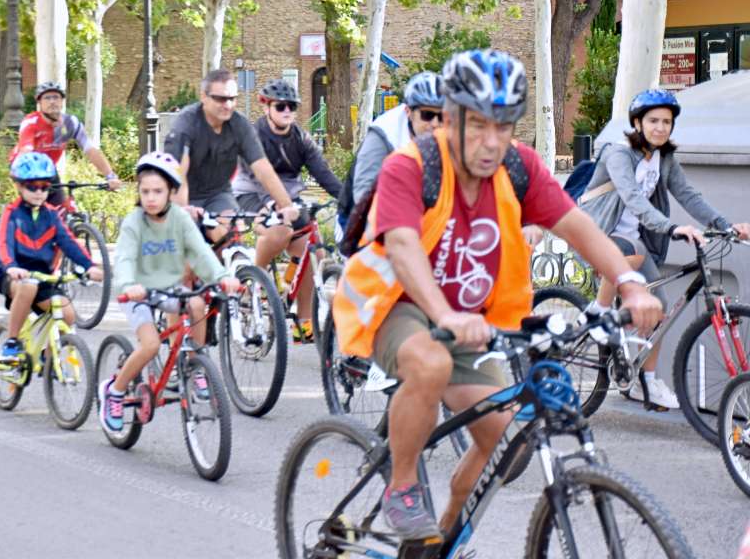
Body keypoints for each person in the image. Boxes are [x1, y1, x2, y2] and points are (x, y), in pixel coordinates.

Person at [332, 49, 663, 542]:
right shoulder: (411, 166)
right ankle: (402, 488)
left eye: (504, 127)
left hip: (470, 317)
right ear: (449, 118)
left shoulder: (518, 166)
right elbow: (401, 244)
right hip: (394, 304)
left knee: (503, 437)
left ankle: (444, 537)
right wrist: (442, 313)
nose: (492, 142)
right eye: (478, 125)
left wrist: (631, 282)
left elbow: (575, 227)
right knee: (430, 364)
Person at [579, 87, 750, 409]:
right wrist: (671, 227)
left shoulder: (664, 158)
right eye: (653, 121)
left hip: (636, 240)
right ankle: (598, 313)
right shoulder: (618, 153)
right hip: (599, 231)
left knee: (656, 307)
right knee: (633, 252)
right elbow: (632, 198)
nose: (660, 128)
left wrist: (726, 226)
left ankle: (648, 382)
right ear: (637, 123)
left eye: (666, 122)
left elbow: (688, 196)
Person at [99, 151, 240, 434]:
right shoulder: (134, 222)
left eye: (158, 191)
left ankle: (195, 364)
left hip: (169, 285)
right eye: (145, 191)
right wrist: (129, 286)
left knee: (198, 304)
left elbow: (201, 254)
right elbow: (124, 259)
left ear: (171, 192)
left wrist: (223, 278)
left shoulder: (180, 220)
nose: (151, 197)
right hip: (137, 291)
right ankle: (114, 391)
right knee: (150, 345)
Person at [231, 78, 342, 343]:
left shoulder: (301, 138)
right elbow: (254, 173)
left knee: (310, 249)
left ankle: (304, 322)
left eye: (292, 106)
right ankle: (255, 282)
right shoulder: (254, 136)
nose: (287, 111)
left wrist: (350, 198)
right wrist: (273, 205)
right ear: (266, 107)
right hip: (252, 194)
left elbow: (323, 173)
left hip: (289, 200)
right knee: (280, 233)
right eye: (281, 106)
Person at [164, 68, 299, 244]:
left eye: (232, 99)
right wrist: (183, 208)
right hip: (184, 196)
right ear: (203, 97)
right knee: (190, 254)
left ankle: (235, 267)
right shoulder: (187, 124)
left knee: (232, 236)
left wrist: (286, 205)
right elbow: (178, 173)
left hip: (218, 195)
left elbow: (262, 168)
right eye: (220, 99)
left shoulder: (239, 124)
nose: (227, 105)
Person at [0, 151, 102, 364]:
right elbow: (4, 243)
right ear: (20, 186)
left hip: (43, 275)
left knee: (67, 314)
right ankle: (11, 343)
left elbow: (68, 242)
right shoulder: (12, 212)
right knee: (28, 286)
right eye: (32, 187)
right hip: (12, 273)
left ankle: (48, 360)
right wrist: (11, 266)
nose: (39, 193)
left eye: (44, 187)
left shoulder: (51, 214)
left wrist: (89, 265)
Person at [338, 71, 444, 222]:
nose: (435, 123)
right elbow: (363, 194)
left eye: (442, 116)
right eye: (427, 115)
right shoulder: (384, 134)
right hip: (358, 216)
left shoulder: (449, 131)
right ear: (408, 111)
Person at [11, 80, 121, 207]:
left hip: (48, 169)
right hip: (25, 168)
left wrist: (110, 176)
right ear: (39, 103)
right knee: (31, 208)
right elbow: (26, 150)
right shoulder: (31, 122)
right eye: (47, 98)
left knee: (60, 210)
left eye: (56, 97)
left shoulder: (70, 123)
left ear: (62, 101)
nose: (52, 101)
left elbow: (90, 149)